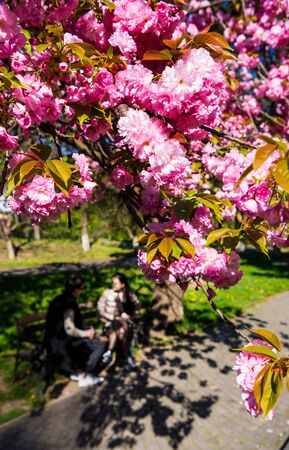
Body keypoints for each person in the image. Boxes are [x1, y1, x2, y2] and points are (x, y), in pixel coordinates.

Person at [43, 274, 105, 388]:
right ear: (76, 290)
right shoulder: (69, 304)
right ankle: (84, 375)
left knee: (91, 339)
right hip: (63, 345)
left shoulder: (58, 299)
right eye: (81, 289)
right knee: (99, 346)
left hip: (51, 341)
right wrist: (86, 333)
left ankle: (78, 372)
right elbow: (69, 329)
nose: (81, 292)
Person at [97, 272, 140, 370]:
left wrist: (129, 316)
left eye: (116, 283)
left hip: (124, 324)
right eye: (113, 283)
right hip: (109, 324)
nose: (113, 285)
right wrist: (112, 317)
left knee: (120, 330)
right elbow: (100, 310)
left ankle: (109, 353)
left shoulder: (128, 294)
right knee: (119, 331)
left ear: (123, 284)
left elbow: (137, 308)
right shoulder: (107, 293)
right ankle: (127, 358)